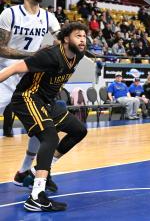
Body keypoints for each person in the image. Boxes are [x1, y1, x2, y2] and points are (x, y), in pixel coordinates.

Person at [0, 22, 89, 212]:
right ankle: (36, 196)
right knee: (49, 137)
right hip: (27, 97)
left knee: (79, 130)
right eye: (78, 36)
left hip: (47, 103)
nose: (82, 40)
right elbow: (14, 68)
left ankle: (38, 172)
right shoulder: (49, 56)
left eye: (84, 36)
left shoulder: (79, 55)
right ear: (66, 39)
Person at [0, 0, 62, 190]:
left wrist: (60, 46)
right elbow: (0, 48)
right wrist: (33, 55)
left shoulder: (48, 17)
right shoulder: (10, 14)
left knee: (41, 125)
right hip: (5, 73)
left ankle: (23, 171)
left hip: (30, 77)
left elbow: (61, 39)